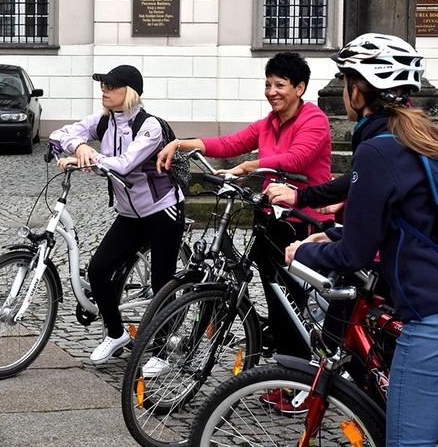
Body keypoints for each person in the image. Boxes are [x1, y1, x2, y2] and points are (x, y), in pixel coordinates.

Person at [284, 33, 437, 445]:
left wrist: (307, 250)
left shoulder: (379, 149)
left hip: (430, 316)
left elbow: (354, 253)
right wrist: (333, 231)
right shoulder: (419, 135)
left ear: (357, 89)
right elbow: (406, 220)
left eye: (344, 79)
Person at [157, 52, 335, 361]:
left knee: (287, 298)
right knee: (272, 290)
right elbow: (230, 143)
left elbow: (297, 159)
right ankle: (279, 350)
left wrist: (246, 167)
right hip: (269, 214)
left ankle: (296, 372)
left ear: (299, 88)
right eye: (267, 84)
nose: (271, 92)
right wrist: (180, 144)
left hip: (302, 218)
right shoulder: (268, 123)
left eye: (280, 84)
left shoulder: (314, 120)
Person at [49, 65, 185, 369]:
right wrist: (81, 145)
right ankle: (116, 333)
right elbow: (60, 135)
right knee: (98, 271)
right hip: (129, 214)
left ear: (130, 92)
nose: (104, 90)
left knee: (163, 282)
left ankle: (163, 352)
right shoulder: (104, 121)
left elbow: (123, 165)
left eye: (111, 86)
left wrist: (86, 157)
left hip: (162, 209)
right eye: (103, 85)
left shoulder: (149, 126)